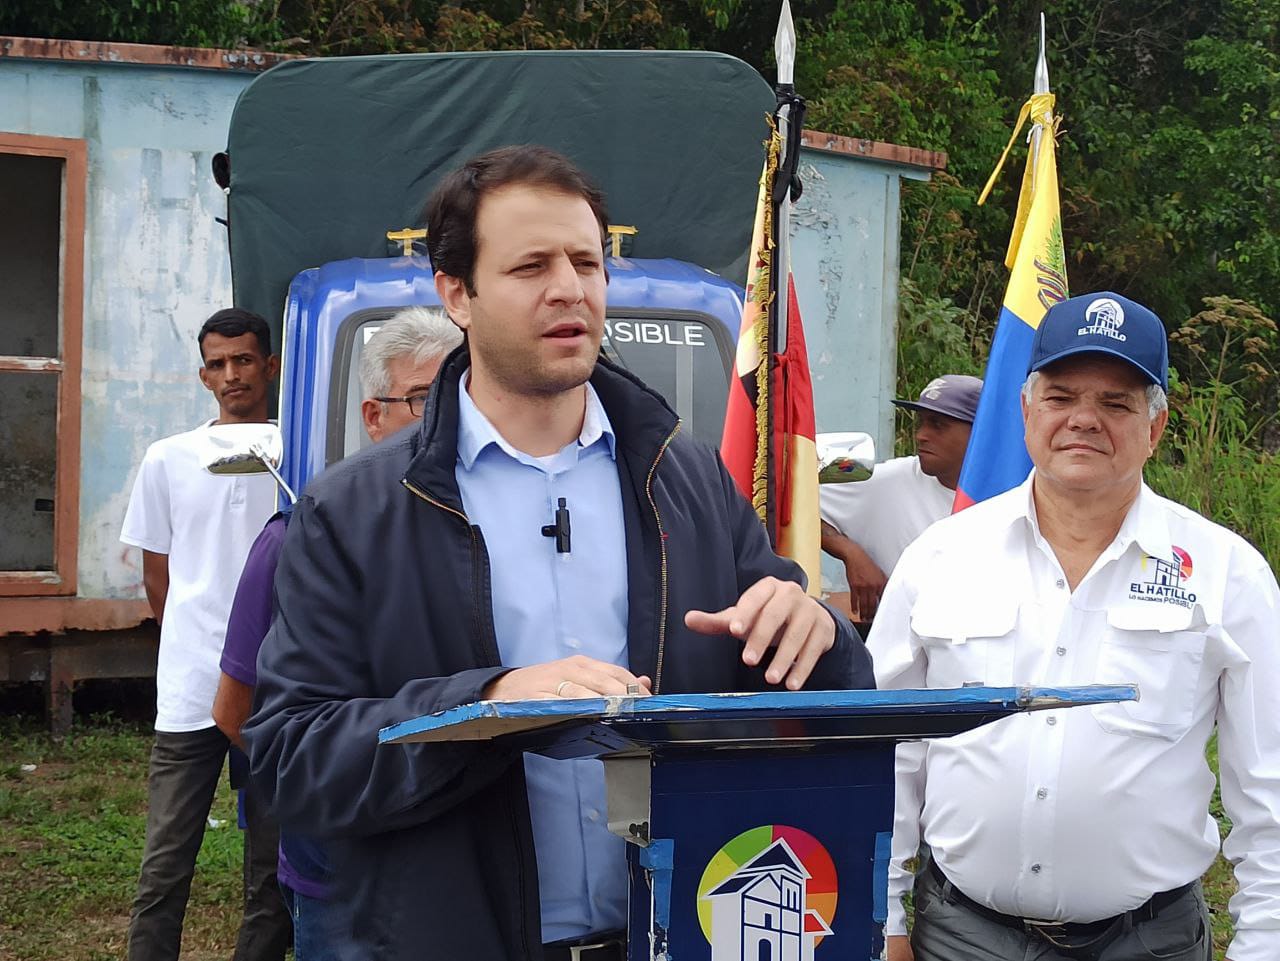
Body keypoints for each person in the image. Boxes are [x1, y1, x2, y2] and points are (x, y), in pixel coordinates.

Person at [244, 145, 872, 961]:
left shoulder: (685, 478)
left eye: (586, 261)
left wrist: (817, 630)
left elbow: (804, 675)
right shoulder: (352, 510)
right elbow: (290, 758)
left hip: (675, 935)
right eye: (530, 266)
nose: (570, 288)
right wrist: (488, 707)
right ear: (456, 294)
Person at [870, 292, 1280, 961]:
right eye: (1061, 397)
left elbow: (1269, 789)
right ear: (1027, 411)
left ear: (1156, 426)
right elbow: (889, 750)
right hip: (962, 936)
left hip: (1148, 941)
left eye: (1116, 403)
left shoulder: (1227, 573)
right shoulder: (940, 557)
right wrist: (881, 916)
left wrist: (1263, 944)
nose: (1084, 419)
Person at [212, 306, 462, 959]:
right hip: (342, 875)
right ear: (372, 416)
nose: (448, 416)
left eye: (462, 395)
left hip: (464, 871)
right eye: (422, 398)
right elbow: (236, 712)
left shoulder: (490, 536)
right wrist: (342, 795)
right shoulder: (299, 537)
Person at [120, 308, 288, 961]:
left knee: (271, 869)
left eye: (243, 360)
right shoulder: (169, 458)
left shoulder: (296, 450)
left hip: (276, 686)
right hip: (190, 687)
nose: (231, 374)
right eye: (217, 363)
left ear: (269, 366)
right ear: (202, 375)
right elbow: (156, 574)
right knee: (165, 863)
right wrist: (193, 644)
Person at [820, 374, 981, 618]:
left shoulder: (1016, 495)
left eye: (938, 425)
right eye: (921, 423)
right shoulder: (889, 481)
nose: (921, 435)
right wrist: (850, 552)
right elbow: (796, 503)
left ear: (980, 432)